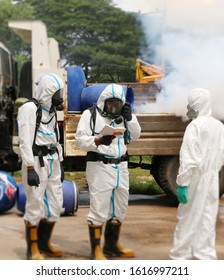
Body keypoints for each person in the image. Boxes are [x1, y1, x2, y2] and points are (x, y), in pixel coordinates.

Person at [75, 83, 141, 260]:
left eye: (117, 104)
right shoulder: (91, 115)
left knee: (120, 208)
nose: (114, 107)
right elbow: (80, 140)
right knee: (99, 208)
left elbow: (135, 136)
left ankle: (112, 246)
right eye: (110, 103)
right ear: (103, 101)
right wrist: (97, 141)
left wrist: (130, 118)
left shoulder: (124, 117)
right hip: (100, 167)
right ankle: (96, 250)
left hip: (121, 167)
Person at [170, 88, 224, 260]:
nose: (189, 107)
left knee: (188, 217)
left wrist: (183, 183)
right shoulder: (219, 126)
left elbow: (188, 158)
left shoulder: (195, 126)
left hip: (196, 177)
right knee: (207, 217)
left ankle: (181, 256)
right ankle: (205, 255)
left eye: (191, 103)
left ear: (197, 104)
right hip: (213, 177)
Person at [17, 73, 65, 260]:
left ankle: (45, 244)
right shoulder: (29, 109)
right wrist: (29, 168)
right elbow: (24, 141)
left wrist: (60, 162)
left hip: (53, 160)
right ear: (47, 92)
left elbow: (56, 139)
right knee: (35, 203)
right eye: (56, 92)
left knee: (55, 205)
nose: (59, 96)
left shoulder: (51, 111)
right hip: (36, 162)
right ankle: (33, 250)